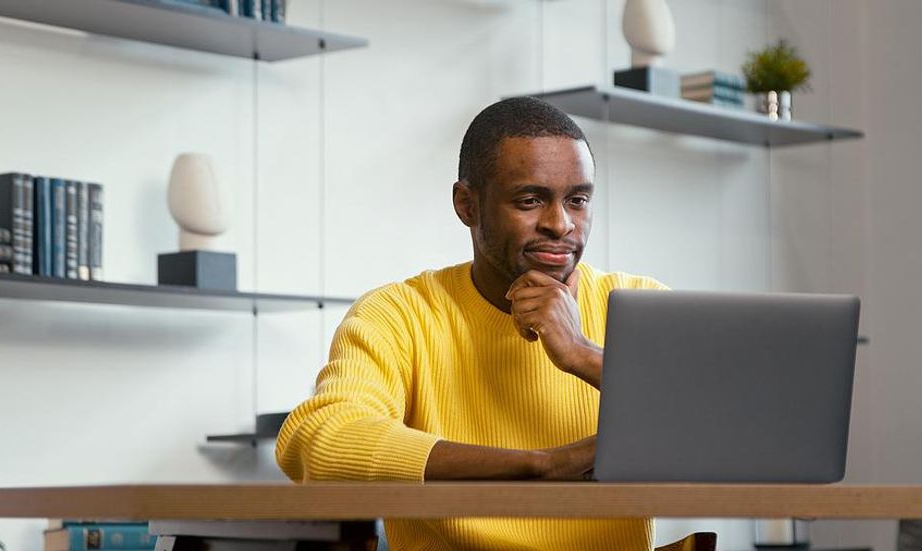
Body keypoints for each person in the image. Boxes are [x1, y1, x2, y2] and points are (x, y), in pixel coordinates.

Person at [276, 96, 667, 550]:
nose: (560, 224)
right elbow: (321, 441)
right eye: (530, 200)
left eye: (577, 200)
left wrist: (582, 354)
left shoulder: (639, 307)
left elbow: (720, 431)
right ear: (467, 205)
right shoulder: (399, 314)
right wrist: (537, 466)